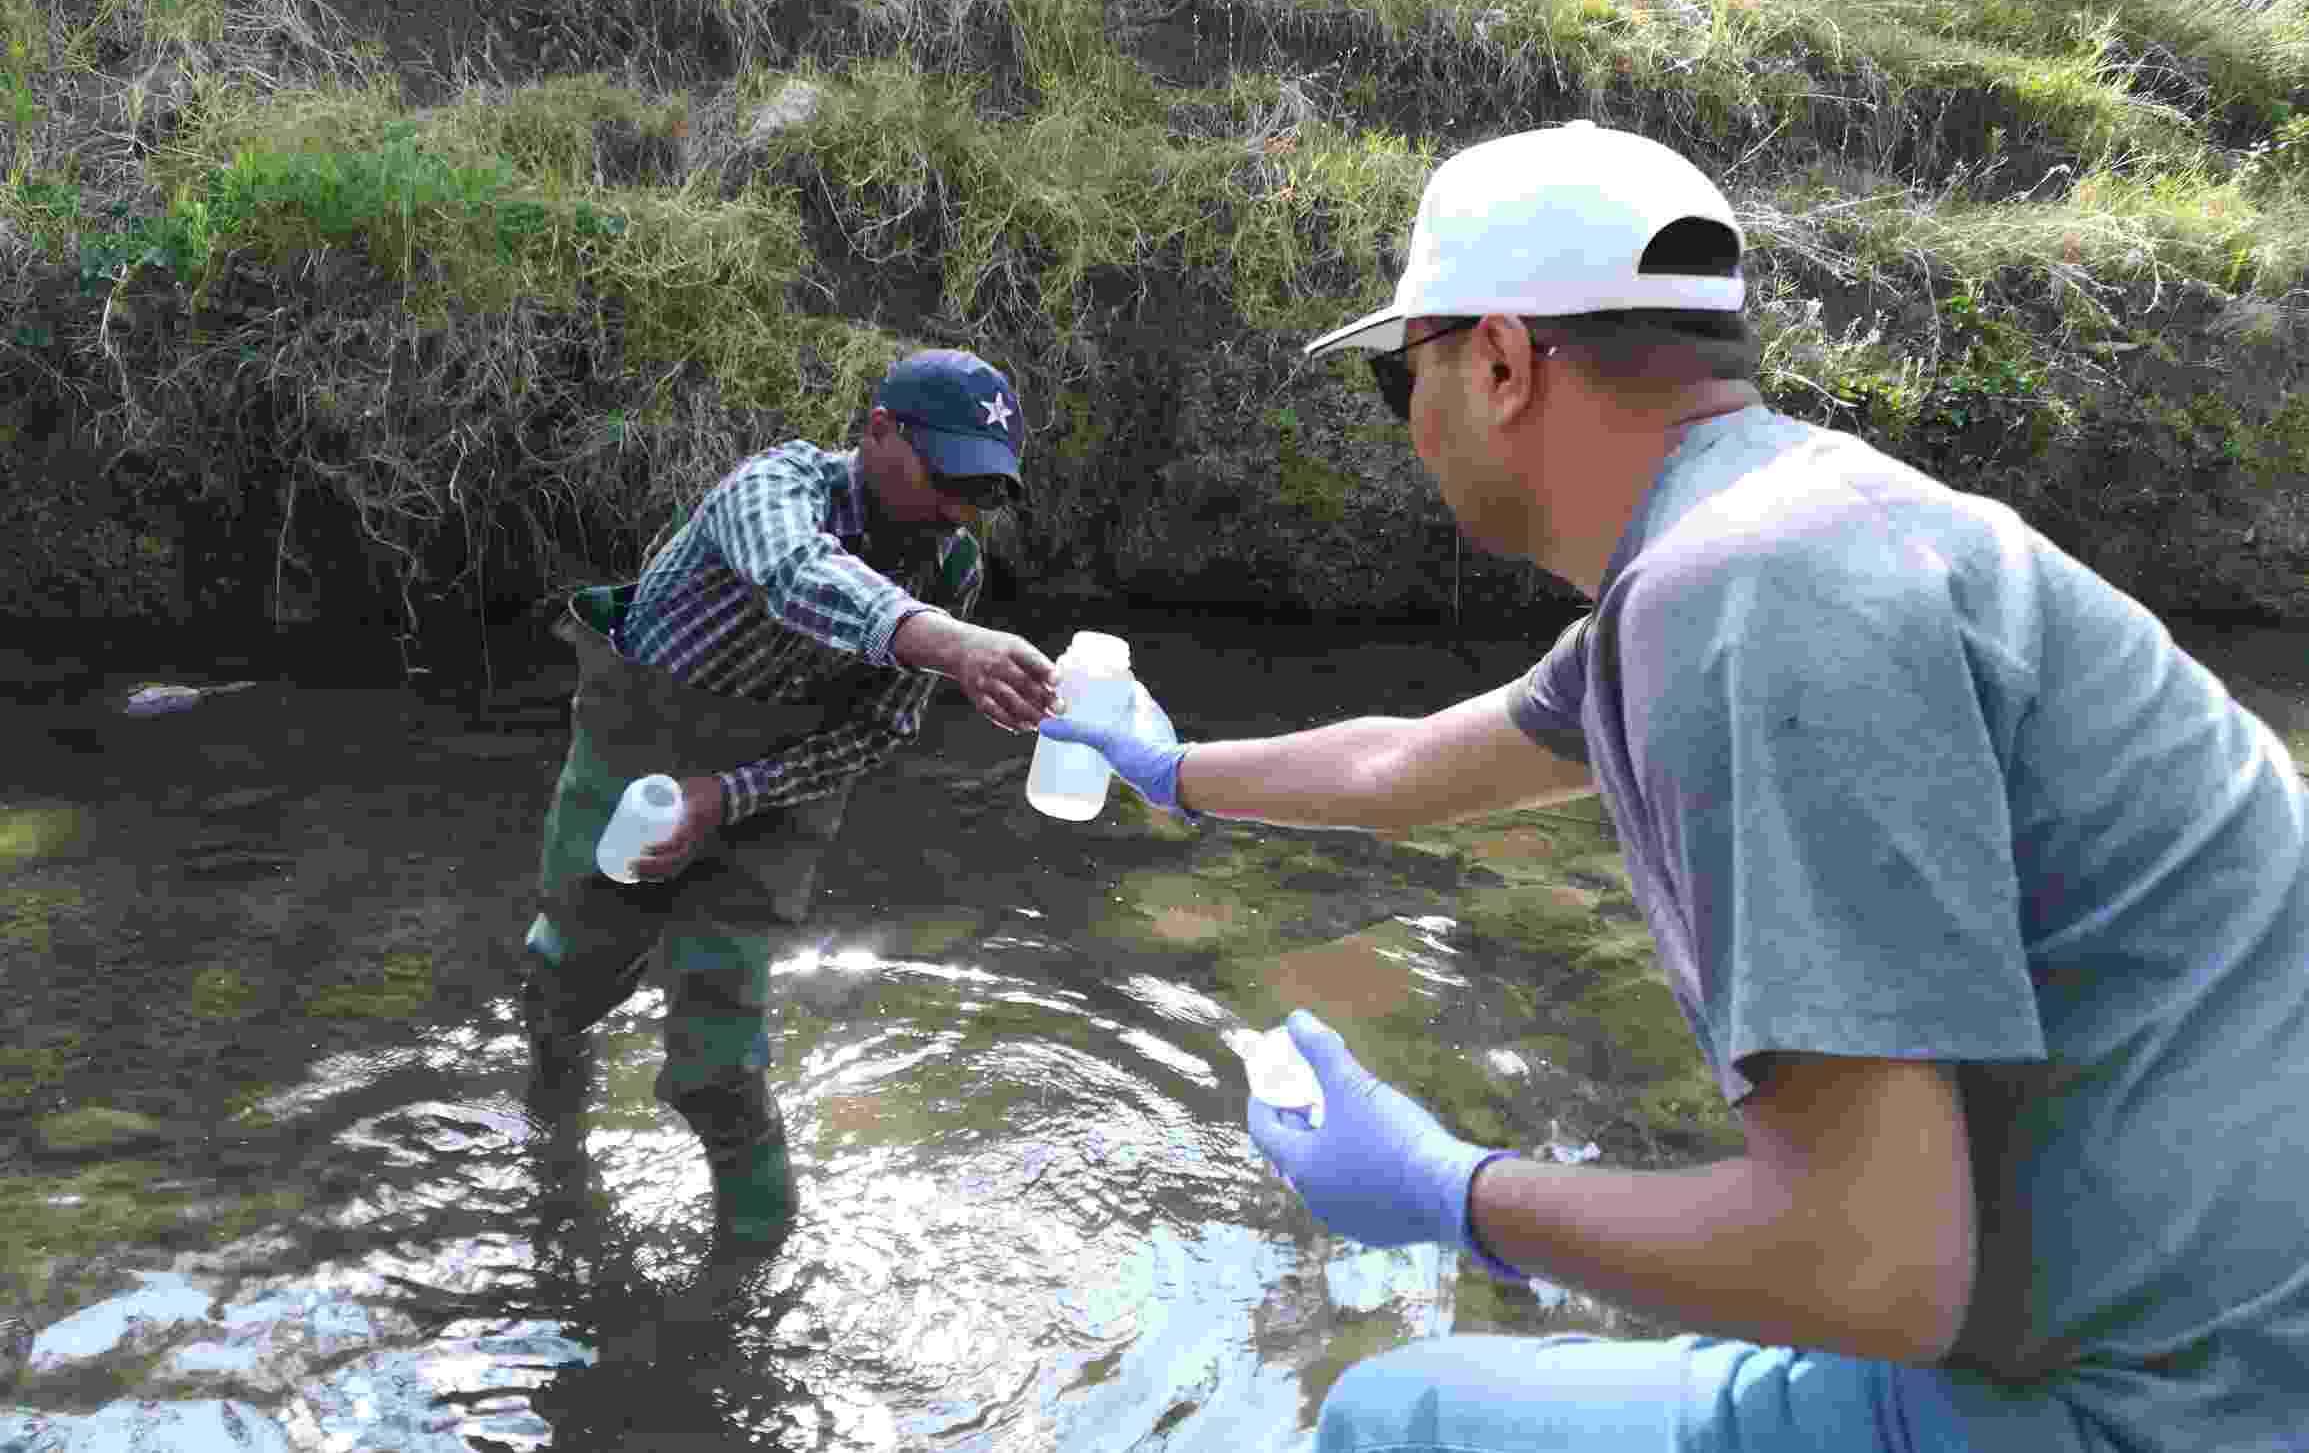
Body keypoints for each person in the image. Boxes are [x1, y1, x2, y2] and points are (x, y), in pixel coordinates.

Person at [1037, 121, 2309, 1450]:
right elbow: (1406, 769)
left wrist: (1450, 1190)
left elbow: (1870, 1271)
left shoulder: (1751, 604)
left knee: (1398, 1414)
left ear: (1500, 360)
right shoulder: (1784, 531)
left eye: (1393, 375)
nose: (1406, 424)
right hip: (2169, 1312)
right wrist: (1167, 771)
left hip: (2170, 1405)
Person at [520, 348, 1060, 1255]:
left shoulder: (949, 566)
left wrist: (727, 796)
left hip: (771, 799)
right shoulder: (774, 489)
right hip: (629, 763)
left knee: (720, 1065)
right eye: (947, 478)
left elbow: (879, 731)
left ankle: (752, 1270)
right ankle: (550, 1118)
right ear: (878, 433)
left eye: (987, 492)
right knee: (569, 974)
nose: (962, 509)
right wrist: (947, 643)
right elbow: (797, 575)